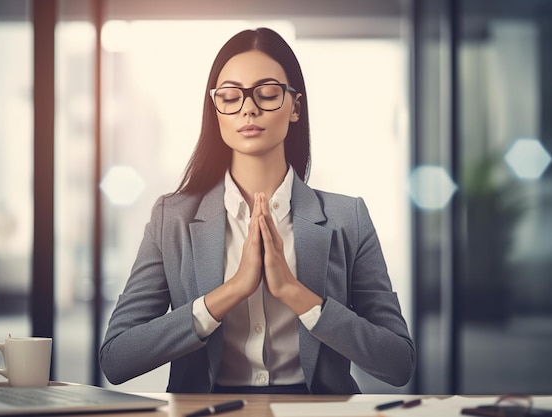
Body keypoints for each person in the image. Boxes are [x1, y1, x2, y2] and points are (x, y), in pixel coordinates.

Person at [99, 27, 415, 395]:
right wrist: (229, 293)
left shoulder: (348, 218)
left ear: (295, 106)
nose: (248, 107)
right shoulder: (173, 218)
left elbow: (397, 362)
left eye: (267, 94)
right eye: (231, 96)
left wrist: (298, 295)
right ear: (215, 110)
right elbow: (117, 359)